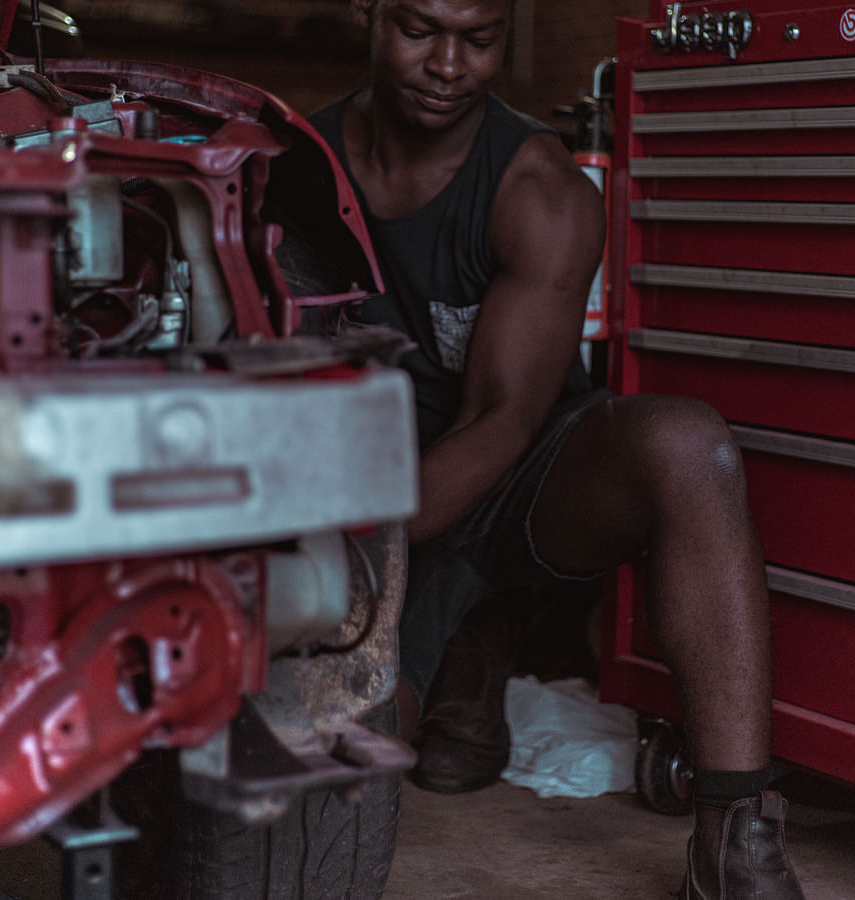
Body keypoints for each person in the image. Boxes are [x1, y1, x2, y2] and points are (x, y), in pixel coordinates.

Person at [308, 2, 806, 897]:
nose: (450, 63)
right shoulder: (289, 168)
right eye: (421, 29)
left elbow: (500, 415)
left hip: (507, 476)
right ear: (366, 13)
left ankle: (735, 831)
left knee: (689, 444)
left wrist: (351, 551)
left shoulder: (538, 186)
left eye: (482, 38)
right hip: (359, 484)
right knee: (341, 776)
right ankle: (468, 656)